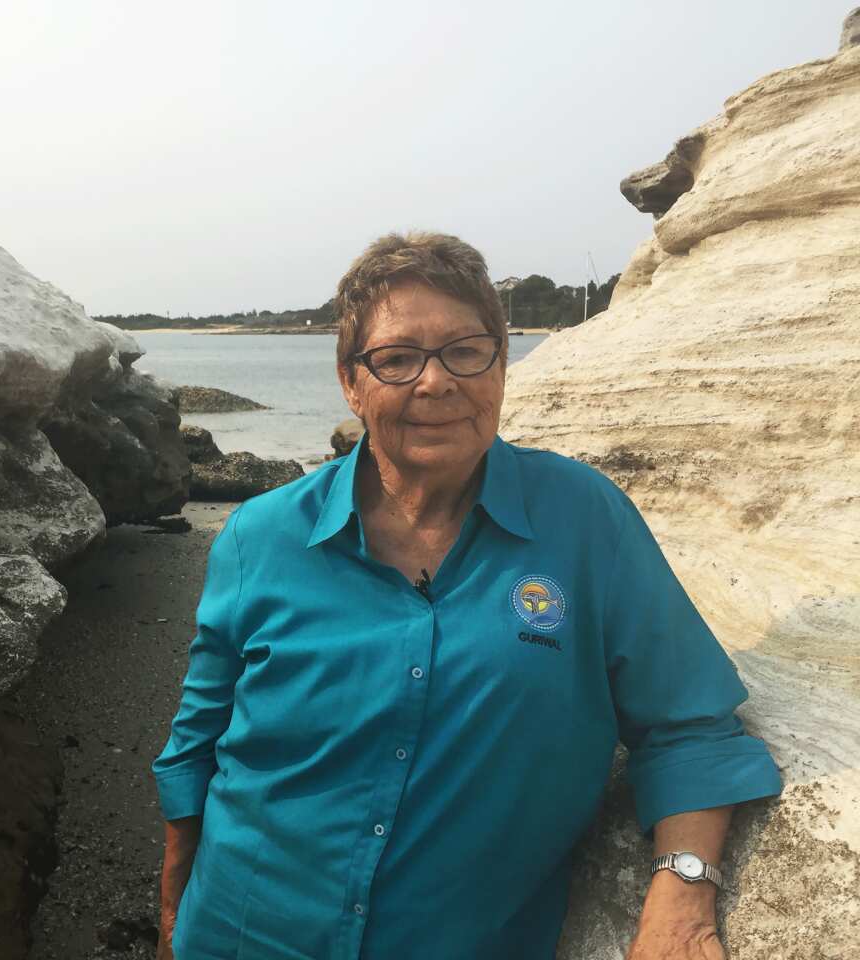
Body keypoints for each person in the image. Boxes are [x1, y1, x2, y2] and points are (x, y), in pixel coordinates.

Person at [151, 232, 782, 960]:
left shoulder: (583, 521)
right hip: (242, 933)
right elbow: (196, 748)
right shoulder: (258, 537)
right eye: (397, 358)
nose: (435, 382)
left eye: (465, 350)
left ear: (501, 364)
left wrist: (683, 895)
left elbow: (690, 725)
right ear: (350, 382)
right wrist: (175, 922)